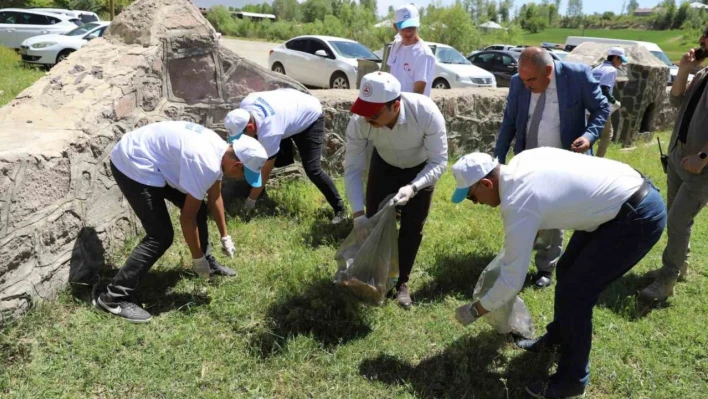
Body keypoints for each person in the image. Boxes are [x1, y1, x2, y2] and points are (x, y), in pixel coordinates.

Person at [451, 148, 666, 399]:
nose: (477, 204)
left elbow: (511, 280)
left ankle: (572, 381)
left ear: (487, 183)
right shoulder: (521, 161)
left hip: (636, 216)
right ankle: (558, 338)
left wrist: (476, 309)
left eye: (472, 197)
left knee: (577, 295)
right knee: (566, 270)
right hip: (617, 200)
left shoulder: (518, 202)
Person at [94, 121, 267, 323]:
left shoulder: (221, 150)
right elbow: (187, 219)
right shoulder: (206, 164)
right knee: (160, 235)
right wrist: (196, 259)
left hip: (152, 159)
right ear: (237, 164)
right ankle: (113, 297)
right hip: (132, 162)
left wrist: (225, 236)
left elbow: (214, 198)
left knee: (199, 208)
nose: (240, 178)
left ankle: (209, 262)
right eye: (243, 174)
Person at [493, 47, 610, 289]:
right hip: (528, 159)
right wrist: (498, 157)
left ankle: (546, 266)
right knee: (524, 211)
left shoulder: (577, 76)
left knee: (553, 213)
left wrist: (589, 136)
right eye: (523, 79)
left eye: (532, 80)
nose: (527, 85)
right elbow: (510, 122)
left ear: (548, 70)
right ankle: (517, 261)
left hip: (564, 161)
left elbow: (602, 108)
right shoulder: (518, 83)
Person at [344, 71, 448, 308]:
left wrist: (414, 187)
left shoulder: (425, 112)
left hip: (421, 169)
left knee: (412, 227)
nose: (367, 118)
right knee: (374, 224)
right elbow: (352, 168)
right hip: (384, 165)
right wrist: (358, 215)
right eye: (364, 111)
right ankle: (376, 278)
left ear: (395, 105)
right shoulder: (360, 121)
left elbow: (439, 161)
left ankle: (401, 283)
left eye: (374, 113)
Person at [640, 24, 708, 302]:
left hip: (700, 166)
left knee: (679, 220)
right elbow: (676, 98)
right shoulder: (703, 73)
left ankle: (667, 279)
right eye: (703, 34)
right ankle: (680, 266)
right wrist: (684, 68)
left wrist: (703, 157)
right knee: (675, 218)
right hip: (679, 157)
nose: (703, 39)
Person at [224, 88, 347, 224]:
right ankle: (260, 194)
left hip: (310, 116)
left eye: (241, 136)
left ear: (250, 127)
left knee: (313, 169)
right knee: (260, 153)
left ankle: (340, 208)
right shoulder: (245, 106)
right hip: (289, 111)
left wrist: (250, 201)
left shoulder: (270, 132)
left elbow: (264, 171)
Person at [387, 4, 436, 97]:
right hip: (396, 107)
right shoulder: (396, 46)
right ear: (395, 27)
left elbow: (417, 96)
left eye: (412, 27)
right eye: (404, 27)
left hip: (412, 109)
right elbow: (390, 78)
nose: (408, 31)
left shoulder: (423, 53)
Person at [591, 47, 627, 157]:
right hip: (601, 106)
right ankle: (598, 159)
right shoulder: (611, 70)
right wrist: (614, 101)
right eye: (620, 60)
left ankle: (586, 155)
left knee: (590, 132)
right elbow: (604, 89)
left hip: (589, 104)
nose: (621, 63)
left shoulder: (596, 69)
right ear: (615, 58)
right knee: (607, 134)